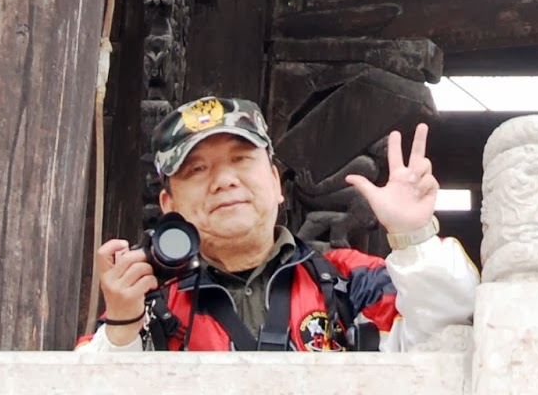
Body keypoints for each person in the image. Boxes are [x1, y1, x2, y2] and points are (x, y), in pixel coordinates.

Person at [79, 97, 476, 356]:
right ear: (169, 205)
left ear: (274, 182)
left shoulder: (346, 280)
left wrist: (415, 238)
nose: (224, 180)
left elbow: (449, 332)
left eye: (240, 160)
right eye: (197, 170)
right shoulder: (148, 304)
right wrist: (122, 325)